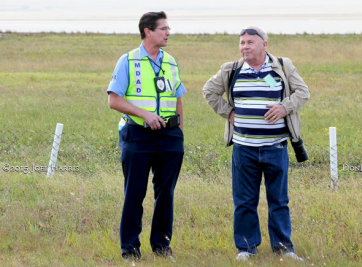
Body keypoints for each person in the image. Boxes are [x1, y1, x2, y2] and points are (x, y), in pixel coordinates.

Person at [203, 27, 310, 262]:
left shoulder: (282, 66)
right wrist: (228, 112)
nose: (244, 47)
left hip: (276, 146)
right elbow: (209, 91)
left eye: (250, 42)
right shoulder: (231, 70)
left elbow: (303, 92)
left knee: (279, 201)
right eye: (241, 43)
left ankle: (284, 248)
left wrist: (285, 107)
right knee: (244, 201)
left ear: (265, 44)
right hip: (244, 148)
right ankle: (246, 248)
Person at [107, 11, 185, 262]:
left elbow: (178, 97)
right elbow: (114, 100)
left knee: (166, 194)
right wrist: (145, 115)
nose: (168, 33)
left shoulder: (171, 61)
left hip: (170, 137)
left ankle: (162, 246)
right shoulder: (127, 61)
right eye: (163, 28)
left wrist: (179, 132)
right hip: (138, 135)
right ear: (147, 31)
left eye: (168, 28)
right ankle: (130, 249)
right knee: (134, 193)